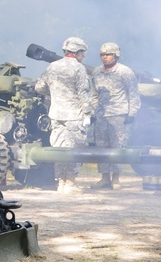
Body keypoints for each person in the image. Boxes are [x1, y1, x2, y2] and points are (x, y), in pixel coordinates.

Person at [34, 37, 96, 194]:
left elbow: (39, 87)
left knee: (59, 150)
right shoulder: (79, 68)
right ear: (76, 52)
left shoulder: (52, 67)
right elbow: (83, 92)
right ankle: (70, 182)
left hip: (55, 115)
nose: (83, 56)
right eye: (82, 53)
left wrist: (55, 94)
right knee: (74, 150)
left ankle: (61, 183)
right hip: (74, 116)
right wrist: (88, 113)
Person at [90, 42, 141, 190]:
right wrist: (94, 111)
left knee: (117, 147)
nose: (104, 57)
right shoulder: (97, 72)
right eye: (102, 55)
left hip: (119, 115)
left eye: (108, 54)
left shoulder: (125, 72)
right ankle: (104, 178)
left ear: (116, 55)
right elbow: (94, 94)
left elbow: (133, 93)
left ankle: (116, 178)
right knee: (101, 147)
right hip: (101, 115)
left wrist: (132, 113)